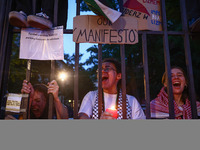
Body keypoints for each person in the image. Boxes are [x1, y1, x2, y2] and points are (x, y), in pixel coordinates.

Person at [78, 58, 146, 120]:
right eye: (100, 69)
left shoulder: (131, 100)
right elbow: (82, 117)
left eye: (107, 68)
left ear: (118, 76)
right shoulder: (91, 96)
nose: (102, 71)